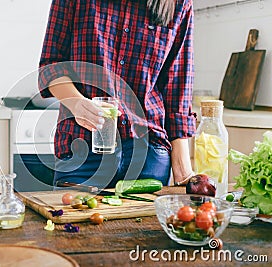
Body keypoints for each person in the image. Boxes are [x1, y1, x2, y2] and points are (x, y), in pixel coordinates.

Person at [38, 0, 196, 189]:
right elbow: (51, 66)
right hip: (82, 148)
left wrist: (183, 169)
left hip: (149, 154)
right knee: (71, 218)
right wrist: (76, 102)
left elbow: (178, 87)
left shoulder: (180, 3)